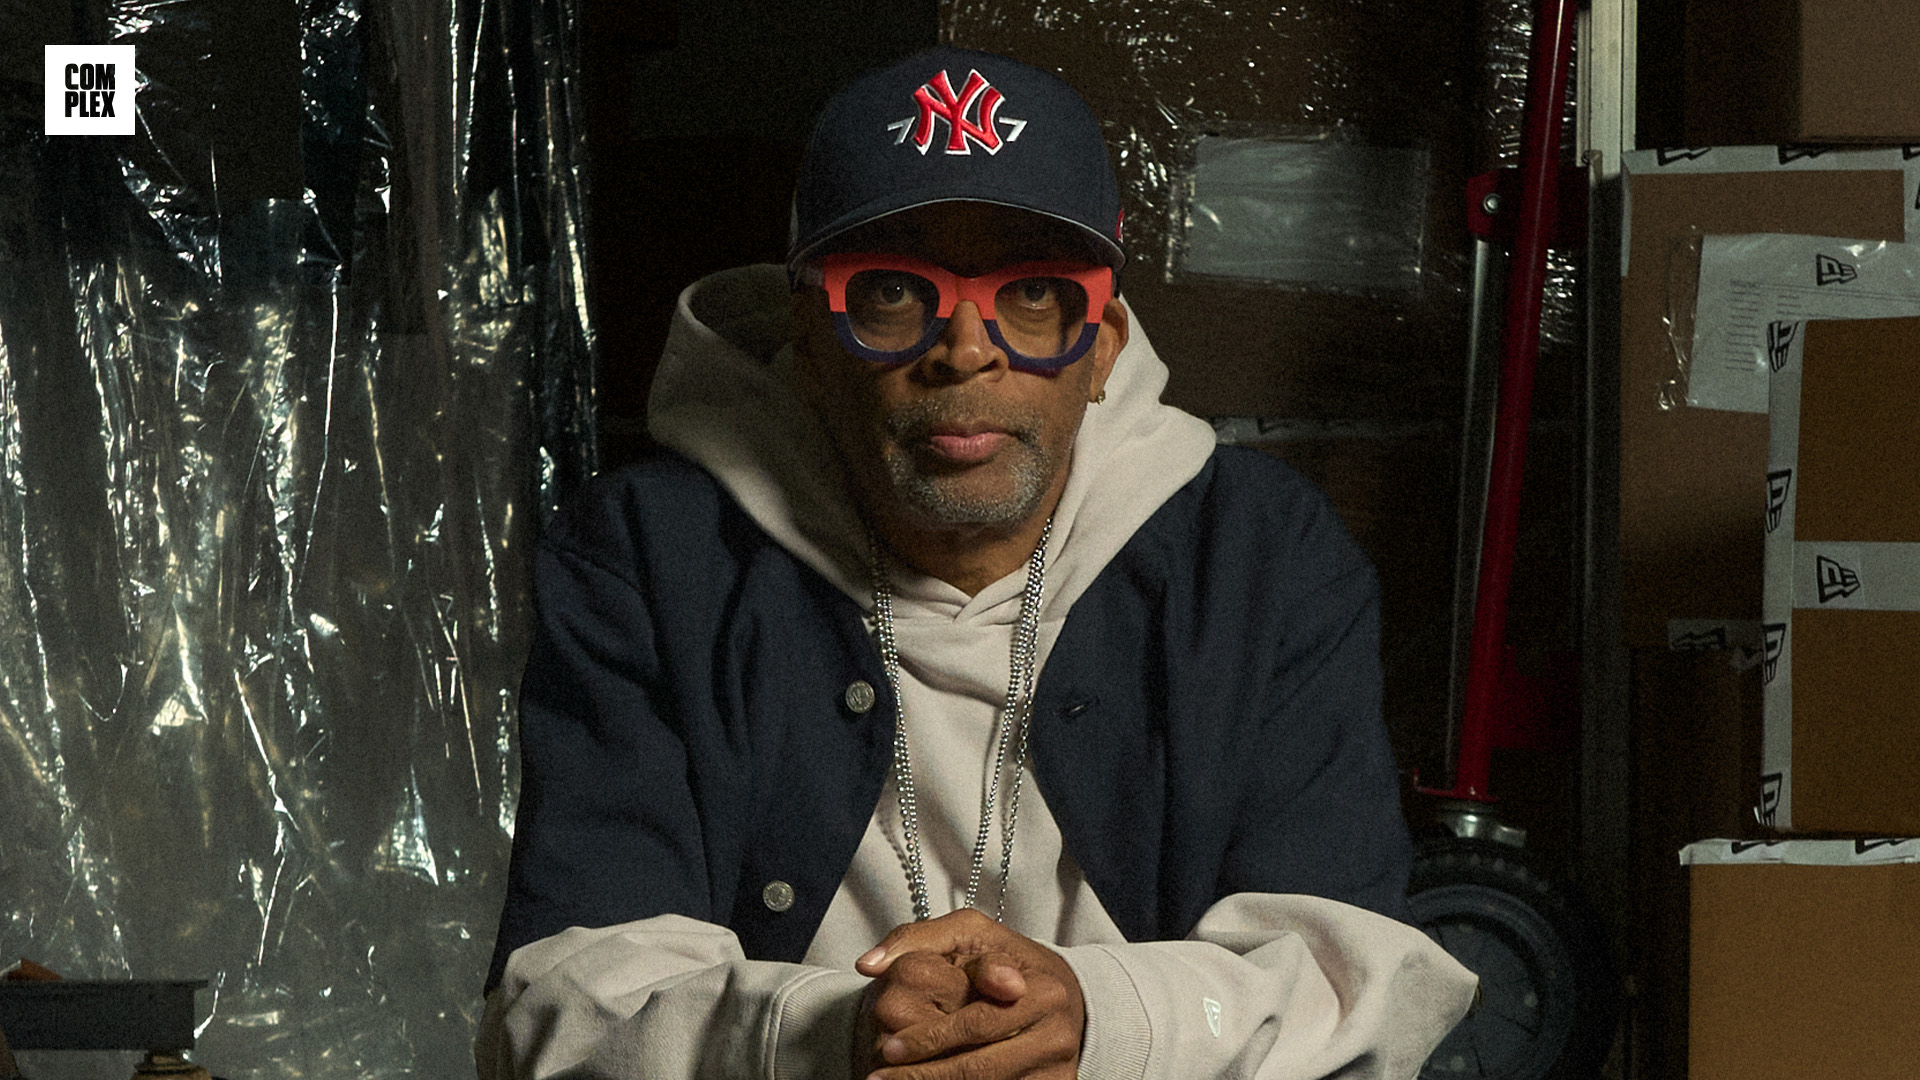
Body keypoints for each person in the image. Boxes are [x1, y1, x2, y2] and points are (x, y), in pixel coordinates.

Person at [477, 44, 1475, 1080]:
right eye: (895, 292)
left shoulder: (1261, 559)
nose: (965, 347)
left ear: (1103, 347)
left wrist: (1097, 1020)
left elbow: (1354, 977)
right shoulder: (649, 555)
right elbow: (562, 995)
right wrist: (830, 1034)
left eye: (1035, 294)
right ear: (808, 342)